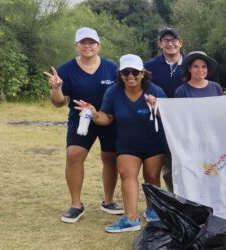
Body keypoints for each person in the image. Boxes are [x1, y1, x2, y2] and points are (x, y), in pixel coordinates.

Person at [73, 54, 167, 232]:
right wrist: (93, 113)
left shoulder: (155, 91)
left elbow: (169, 117)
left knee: (152, 177)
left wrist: (157, 108)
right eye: (126, 72)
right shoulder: (113, 92)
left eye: (135, 72)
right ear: (120, 74)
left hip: (154, 142)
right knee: (126, 174)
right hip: (127, 144)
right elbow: (106, 118)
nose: (130, 76)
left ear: (143, 73)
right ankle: (131, 219)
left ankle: (153, 210)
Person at [44, 27, 122, 223]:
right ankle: (75, 205)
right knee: (74, 155)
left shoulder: (112, 67)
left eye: (92, 42)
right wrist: (56, 88)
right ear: (76, 45)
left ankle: (109, 201)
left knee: (110, 157)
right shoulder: (66, 69)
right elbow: (59, 102)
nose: (87, 46)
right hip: (80, 119)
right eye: (83, 42)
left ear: (98, 45)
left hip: (108, 117)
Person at [145, 28, 185, 193]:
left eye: (173, 40)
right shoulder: (149, 67)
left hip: (186, 121)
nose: (170, 44)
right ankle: (174, 200)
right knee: (167, 166)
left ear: (180, 43)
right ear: (160, 44)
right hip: (160, 121)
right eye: (166, 40)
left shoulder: (191, 64)